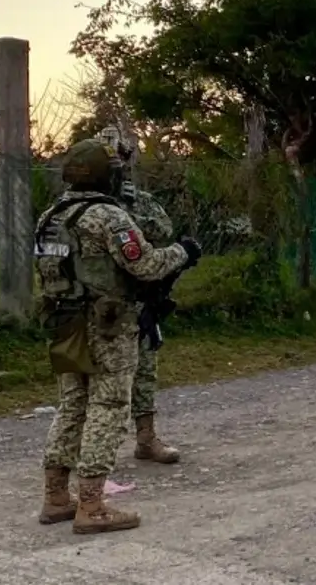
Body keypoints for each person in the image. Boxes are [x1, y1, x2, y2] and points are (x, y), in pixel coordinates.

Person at [34, 138, 202, 534]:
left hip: (63, 321)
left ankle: (56, 496)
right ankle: (92, 505)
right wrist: (183, 252)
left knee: (71, 405)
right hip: (107, 324)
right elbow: (145, 264)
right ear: (106, 176)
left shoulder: (50, 217)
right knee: (108, 405)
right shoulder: (109, 216)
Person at [95, 126, 181, 464]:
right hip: (97, 303)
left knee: (145, 369)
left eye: (119, 157)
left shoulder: (137, 200)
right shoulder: (81, 205)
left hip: (137, 297)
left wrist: (128, 214)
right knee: (94, 380)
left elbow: (164, 229)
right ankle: (90, 452)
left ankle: (146, 437)